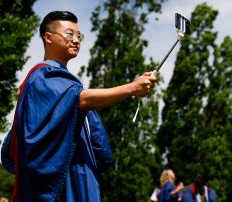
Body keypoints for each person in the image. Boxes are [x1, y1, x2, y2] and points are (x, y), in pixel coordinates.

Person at [0, 11, 156, 202]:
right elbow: (80, 99)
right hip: (64, 182)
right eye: (69, 34)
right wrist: (131, 88)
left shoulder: (64, 80)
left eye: (78, 35)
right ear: (48, 37)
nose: (76, 40)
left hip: (79, 174)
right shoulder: (43, 76)